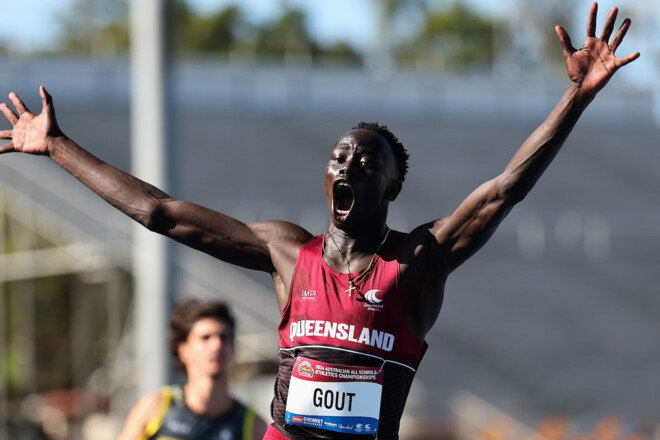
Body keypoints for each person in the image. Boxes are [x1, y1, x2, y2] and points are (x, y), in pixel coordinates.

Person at [0, 3, 640, 439]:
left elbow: (503, 191)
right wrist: (56, 146)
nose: (349, 165)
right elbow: (160, 212)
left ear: (391, 187)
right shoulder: (286, 251)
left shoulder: (416, 263)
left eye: (367, 162)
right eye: (340, 156)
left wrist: (574, 100)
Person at [116, 298, 268, 440]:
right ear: (184, 351)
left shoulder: (254, 425)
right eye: (205, 337)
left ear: (234, 348)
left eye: (224, 337)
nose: (217, 345)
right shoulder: (154, 408)